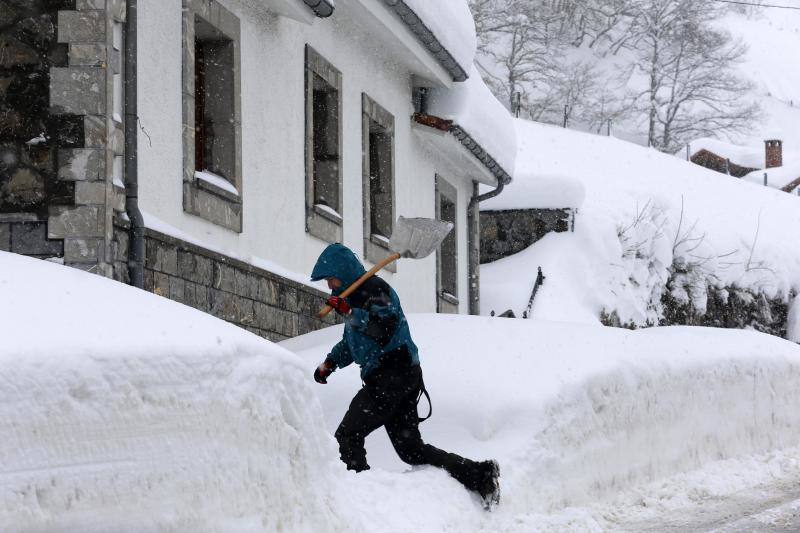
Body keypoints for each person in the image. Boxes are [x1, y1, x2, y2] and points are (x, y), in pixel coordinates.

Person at [310, 243, 500, 508]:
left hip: (393, 374)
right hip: (397, 377)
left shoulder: (375, 290)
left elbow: (383, 329)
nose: (329, 285)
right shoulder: (351, 298)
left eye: (331, 278)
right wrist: (330, 363)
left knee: (348, 436)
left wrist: (351, 313)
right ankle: (480, 475)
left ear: (342, 271)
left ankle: (361, 504)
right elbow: (352, 343)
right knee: (412, 450)